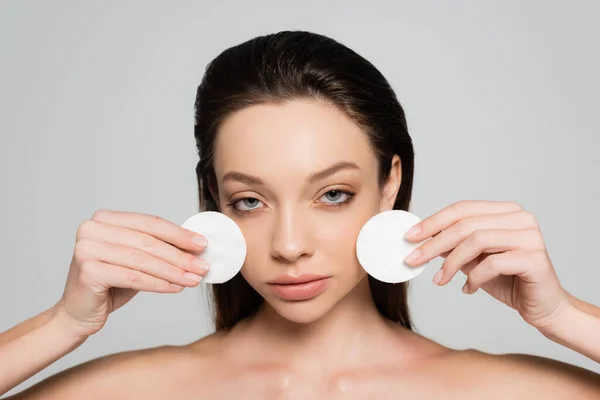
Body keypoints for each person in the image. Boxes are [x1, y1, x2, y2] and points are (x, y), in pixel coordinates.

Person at [1, 30, 599, 399]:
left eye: (332, 194)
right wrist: (62, 326)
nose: (288, 245)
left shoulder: (499, 392)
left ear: (390, 182)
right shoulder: (132, 391)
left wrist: (565, 316)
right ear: (214, 200)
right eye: (250, 201)